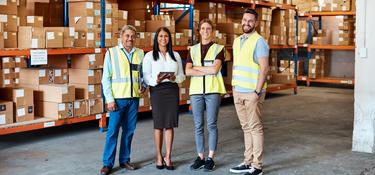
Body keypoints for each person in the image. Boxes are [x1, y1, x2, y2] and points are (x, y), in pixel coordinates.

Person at [100, 25, 146, 175]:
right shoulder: (112, 53)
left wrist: (143, 86)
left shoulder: (140, 53)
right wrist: (109, 100)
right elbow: (106, 78)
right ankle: (108, 163)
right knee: (112, 131)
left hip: (133, 99)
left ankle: (125, 159)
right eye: (127, 36)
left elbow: (143, 76)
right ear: (121, 36)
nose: (130, 39)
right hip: (117, 100)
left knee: (129, 131)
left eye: (132, 36)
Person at [229, 8, 269, 175]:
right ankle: (247, 162)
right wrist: (233, 87)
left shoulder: (259, 41)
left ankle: (257, 166)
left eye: (250, 21)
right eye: (244, 20)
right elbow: (237, 65)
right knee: (246, 128)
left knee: (255, 128)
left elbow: (264, 68)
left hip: (252, 92)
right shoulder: (237, 41)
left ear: (256, 23)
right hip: (238, 90)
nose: (246, 23)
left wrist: (257, 92)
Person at [185, 19, 227, 172]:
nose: (205, 31)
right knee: (198, 125)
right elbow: (187, 71)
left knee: (211, 124)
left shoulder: (219, 49)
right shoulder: (193, 49)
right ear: (199, 31)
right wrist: (205, 69)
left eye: (208, 28)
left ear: (212, 31)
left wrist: (197, 67)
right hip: (196, 91)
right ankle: (200, 157)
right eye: (203, 28)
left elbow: (215, 70)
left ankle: (210, 158)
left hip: (212, 90)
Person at [142, 27, 185, 170]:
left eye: (166, 36)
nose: (163, 39)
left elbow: (182, 76)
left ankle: (168, 156)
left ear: (169, 39)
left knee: (170, 124)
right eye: (160, 36)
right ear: (156, 38)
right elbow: (146, 76)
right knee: (159, 124)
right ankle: (159, 156)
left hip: (172, 90)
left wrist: (174, 77)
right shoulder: (149, 56)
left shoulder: (176, 55)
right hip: (158, 91)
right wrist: (157, 80)